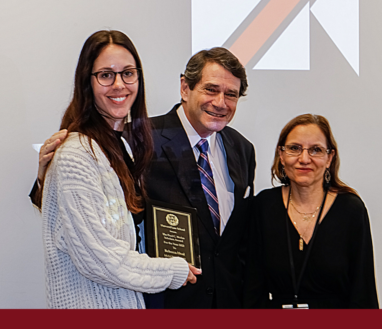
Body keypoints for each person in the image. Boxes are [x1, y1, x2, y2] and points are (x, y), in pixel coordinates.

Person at [34, 46, 257, 308]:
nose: (220, 102)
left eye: (231, 94)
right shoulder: (135, 138)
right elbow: (83, 209)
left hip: (226, 304)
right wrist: (44, 178)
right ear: (185, 88)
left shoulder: (242, 149)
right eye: (211, 89)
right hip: (161, 303)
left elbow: (236, 242)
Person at [39, 30, 198, 307]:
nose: (119, 85)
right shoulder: (76, 154)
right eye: (105, 75)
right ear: (87, 82)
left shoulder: (120, 147)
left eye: (127, 73)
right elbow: (100, 260)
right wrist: (172, 271)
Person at [244, 114, 379, 308]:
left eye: (316, 150)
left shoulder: (350, 210)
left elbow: (363, 292)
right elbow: (252, 289)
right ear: (281, 156)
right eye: (294, 148)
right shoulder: (263, 206)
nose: (304, 159)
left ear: (329, 158)